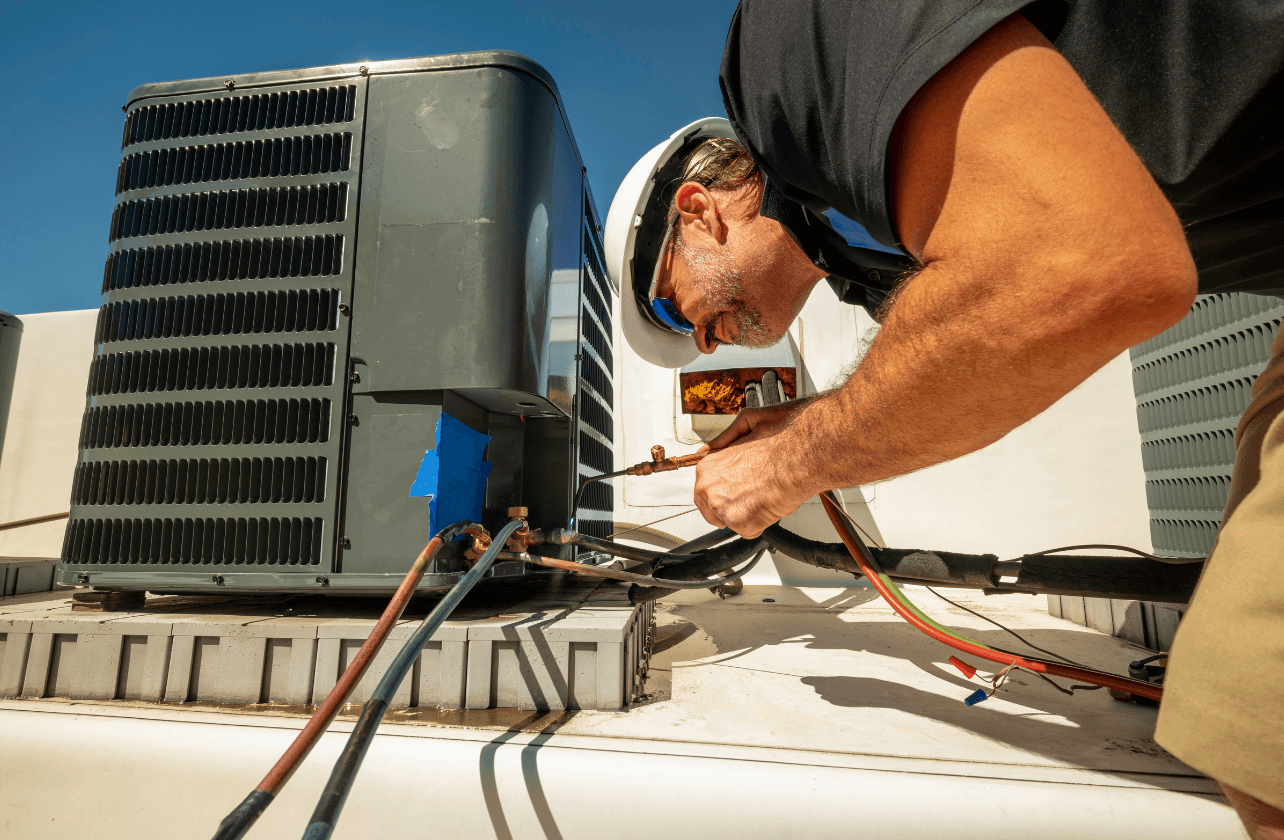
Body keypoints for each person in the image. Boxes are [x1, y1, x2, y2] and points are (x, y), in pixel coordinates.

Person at [602, 2, 1283, 836]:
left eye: (673, 308)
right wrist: (808, 425)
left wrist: (788, 463)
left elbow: (1085, 268)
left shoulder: (791, 44)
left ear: (698, 211)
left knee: (1254, 727)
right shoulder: (871, 261)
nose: (702, 342)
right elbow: (991, 346)